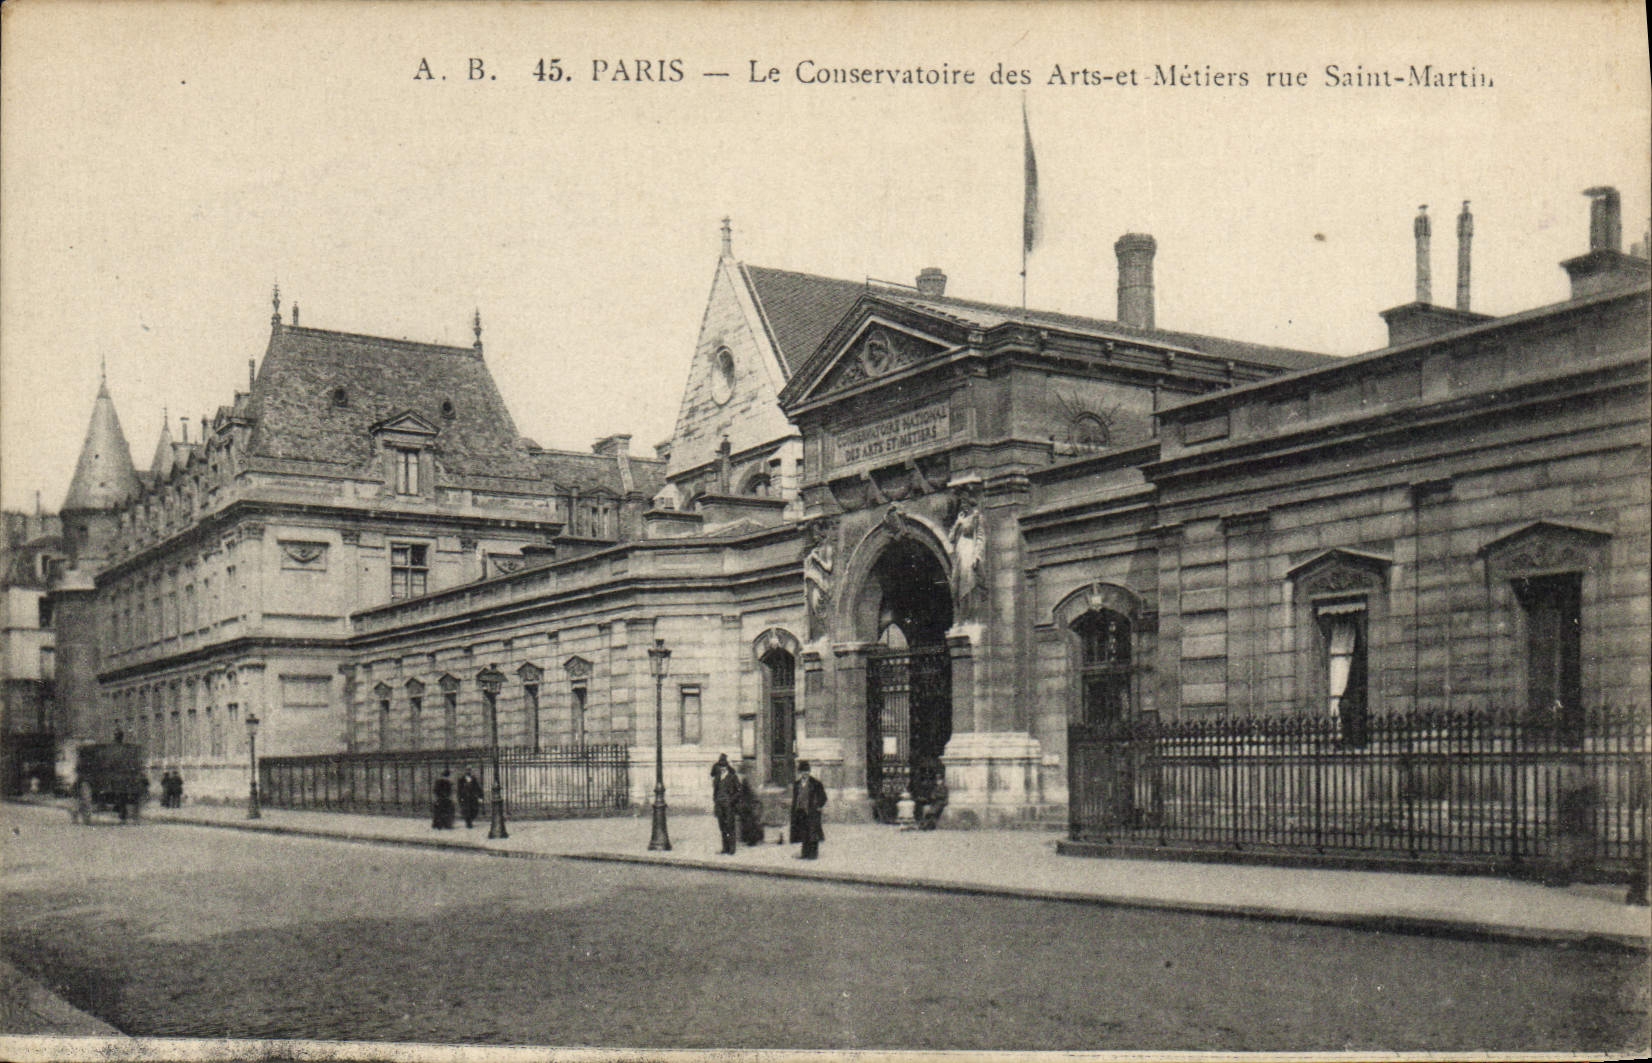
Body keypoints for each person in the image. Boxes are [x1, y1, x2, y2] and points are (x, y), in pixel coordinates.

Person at [790, 759, 827, 859]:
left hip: (812, 812)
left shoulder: (816, 783)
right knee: (803, 833)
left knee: (813, 833)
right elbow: (795, 798)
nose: (804, 774)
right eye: (802, 772)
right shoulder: (797, 784)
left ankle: (813, 854)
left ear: (809, 772)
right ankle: (805, 853)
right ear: (799, 773)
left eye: (806, 771)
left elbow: (823, 797)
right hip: (800, 811)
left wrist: (818, 806)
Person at [711, 755, 742, 855]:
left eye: (724, 766)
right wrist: (715, 804)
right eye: (720, 766)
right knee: (722, 826)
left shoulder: (732, 777)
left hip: (729, 805)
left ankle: (732, 848)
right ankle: (725, 847)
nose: (722, 768)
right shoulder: (717, 778)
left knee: (730, 826)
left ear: (727, 767)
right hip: (719, 804)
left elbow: (739, 791)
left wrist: (731, 800)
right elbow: (715, 792)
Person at [918, 762, 948, 831]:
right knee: (927, 809)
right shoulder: (936, 787)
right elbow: (932, 793)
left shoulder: (944, 787)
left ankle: (928, 825)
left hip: (940, 802)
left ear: (942, 780)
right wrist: (932, 796)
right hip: (935, 802)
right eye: (937, 779)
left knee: (932, 811)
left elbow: (944, 795)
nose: (938, 781)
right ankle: (925, 824)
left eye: (939, 779)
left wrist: (935, 795)